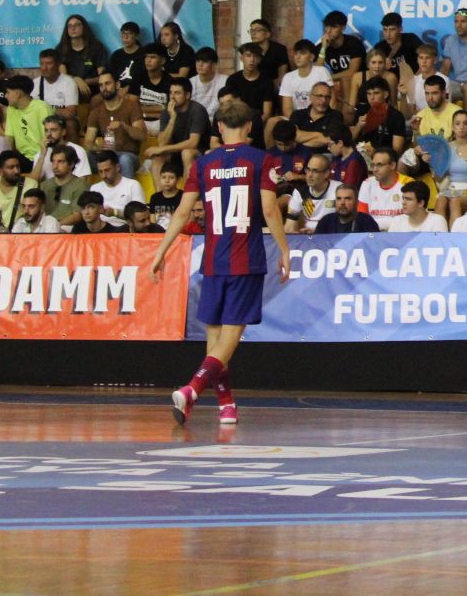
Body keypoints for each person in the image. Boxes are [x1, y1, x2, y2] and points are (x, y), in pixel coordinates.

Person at [153, 99, 289, 426]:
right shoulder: (261, 159)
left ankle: (227, 405)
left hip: (213, 259)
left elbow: (183, 212)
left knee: (214, 340)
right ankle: (192, 388)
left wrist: (161, 250)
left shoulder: (203, 163)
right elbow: (270, 210)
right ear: (250, 128)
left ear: (218, 128)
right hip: (245, 258)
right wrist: (285, 250)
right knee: (229, 339)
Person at [314, 183, 381, 235]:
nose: (342, 203)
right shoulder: (326, 221)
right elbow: (315, 245)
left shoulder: (367, 221)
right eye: (339, 199)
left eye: (348, 199)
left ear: (357, 203)